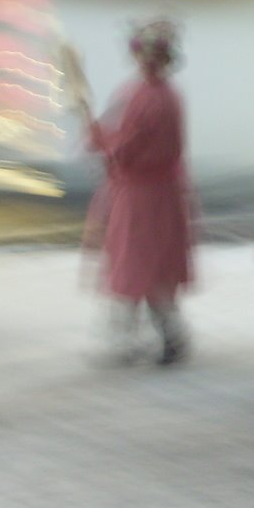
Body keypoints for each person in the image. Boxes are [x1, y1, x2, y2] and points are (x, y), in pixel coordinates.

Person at [82, 19, 194, 366]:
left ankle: (148, 339)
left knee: (137, 265)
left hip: (143, 197)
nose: (147, 61)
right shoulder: (158, 95)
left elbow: (128, 145)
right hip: (156, 194)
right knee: (146, 267)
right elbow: (123, 136)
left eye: (153, 55)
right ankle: (161, 337)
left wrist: (104, 144)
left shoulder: (148, 98)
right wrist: (103, 137)